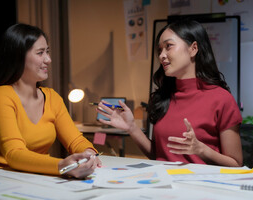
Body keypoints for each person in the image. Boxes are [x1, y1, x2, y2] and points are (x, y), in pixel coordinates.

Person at [97, 19, 243, 167]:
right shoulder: (162, 97)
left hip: (200, 186)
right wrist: (132, 128)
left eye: (168, 46)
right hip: (163, 183)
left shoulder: (222, 99)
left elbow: (236, 164)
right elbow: (159, 155)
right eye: (160, 50)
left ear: (193, 48)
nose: (161, 55)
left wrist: (201, 150)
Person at [0, 23, 101, 178]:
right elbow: (14, 154)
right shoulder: (1, 96)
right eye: (40, 53)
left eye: (47, 52)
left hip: (42, 178)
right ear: (18, 56)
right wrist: (61, 166)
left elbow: (76, 140)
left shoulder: (52, 97)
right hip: (6, 179)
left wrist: (89, 153)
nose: (48, 59)